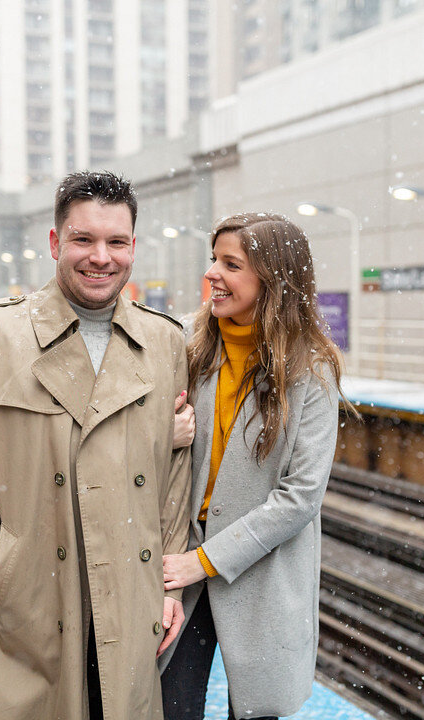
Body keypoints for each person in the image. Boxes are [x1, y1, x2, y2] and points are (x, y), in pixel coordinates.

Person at [0, 171, 193, 720]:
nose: (101, 257)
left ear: (134, 247)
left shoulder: (165, 340)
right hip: (30, 602)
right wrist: (0, 568)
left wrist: (166, 586)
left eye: (117, 242)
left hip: (128, 599)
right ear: (54, 243)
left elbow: (173, 476)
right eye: (83, 240)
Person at [159, 213, 350, 720]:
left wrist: (201, 562)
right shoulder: (189, 348)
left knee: (255, 713)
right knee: (167, 705)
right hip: (182, 565)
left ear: (274, 277)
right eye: (213, 261)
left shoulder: (310, 371)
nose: (213, 275)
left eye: (231, 264)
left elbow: (301, 497)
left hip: (261, 573)